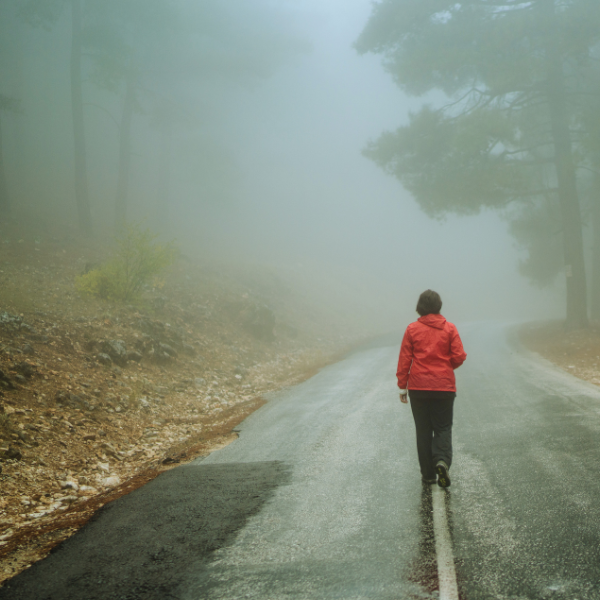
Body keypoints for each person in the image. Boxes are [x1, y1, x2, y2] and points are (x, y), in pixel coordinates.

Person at [397, 290, 466, 488]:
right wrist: (445, 368)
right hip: (444, 387)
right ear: (439, 305)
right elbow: (459, 356)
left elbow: (404, 361)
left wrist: (402, 386)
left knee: (423, 431)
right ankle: (442, 461)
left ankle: (428, 475)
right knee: (443, 427)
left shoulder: (412, 330)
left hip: (418, 388)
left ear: (420, 307)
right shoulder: (450, 328)